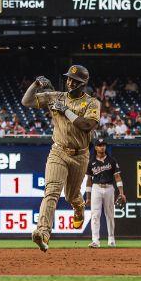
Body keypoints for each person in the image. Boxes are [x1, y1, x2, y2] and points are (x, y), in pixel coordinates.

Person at [21, 64, 100, 252]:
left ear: (84, 83)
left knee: (71, 195)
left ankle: (79, 206)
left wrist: (65, 110)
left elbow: (88, 125)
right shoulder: (56, 96)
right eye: (69, 78)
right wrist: (36, 84)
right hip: (58, 151)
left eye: (76, 80)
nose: (71, 82)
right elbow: (27, 101)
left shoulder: (91, 102)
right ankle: (43, 233)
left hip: (80, 155)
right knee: (52, 191)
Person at [86, 137, 126, 248]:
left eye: (103, 145)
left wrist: (121, 192)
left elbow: (117, 177)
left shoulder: (111, 160)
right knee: (95, 214)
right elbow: (89, 180)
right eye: (99, 145)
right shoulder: (91, 162)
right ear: (95, 147)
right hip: (96, 188)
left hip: (109, 188)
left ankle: (111, 239)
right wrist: (88, 197)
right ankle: (95, 241)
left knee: (110, 214)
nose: (102, 147)